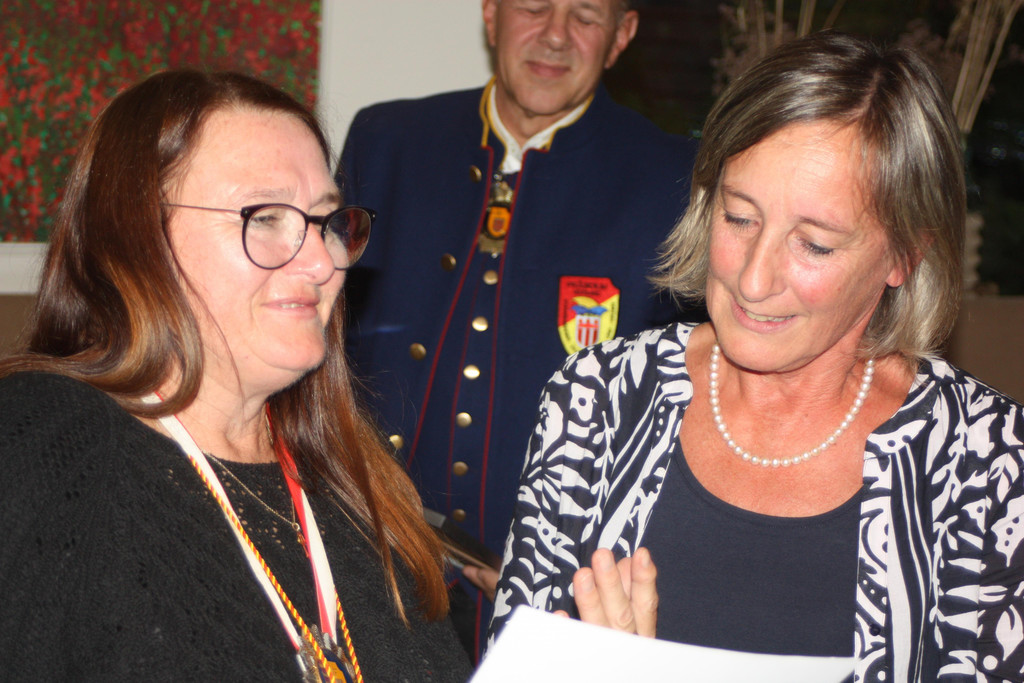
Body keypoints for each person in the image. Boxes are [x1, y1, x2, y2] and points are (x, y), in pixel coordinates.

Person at [490, 31, 1024, 680]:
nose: (753, 278)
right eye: (739, 217)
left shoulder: (986, 458)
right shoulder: (596, 399)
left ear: (904, 256)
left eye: (815, 244)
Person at [0, 69, 472, 681]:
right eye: (266, 216)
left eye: (326, 221)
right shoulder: (48, 446)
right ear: (136, 236)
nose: (321, 261)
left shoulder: (360, 483)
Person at [339, 0, 699, 656]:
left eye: (585, 16)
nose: (555, 35)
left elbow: (682, 418)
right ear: (490, 13)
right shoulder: (387, 142)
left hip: (551, 610)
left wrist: (555, 568)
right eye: (534, 6)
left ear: (622, 35)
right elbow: (323, 347)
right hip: (371, 568)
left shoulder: (672, 178)